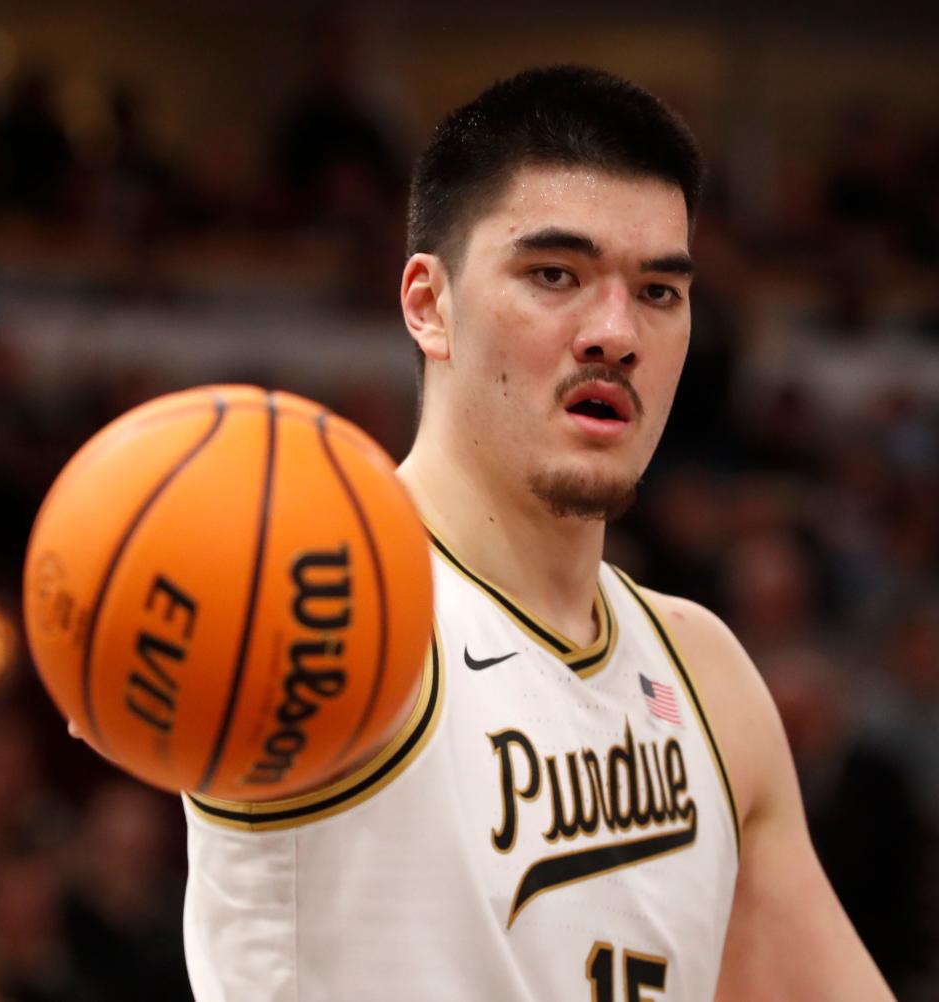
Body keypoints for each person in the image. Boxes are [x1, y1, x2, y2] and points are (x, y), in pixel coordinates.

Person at [181, 66, 895, 1000]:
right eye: (554, 274)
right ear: (429, 306)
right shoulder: (325, 614)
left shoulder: (706, 675)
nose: (616, 332)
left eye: (659, 291)